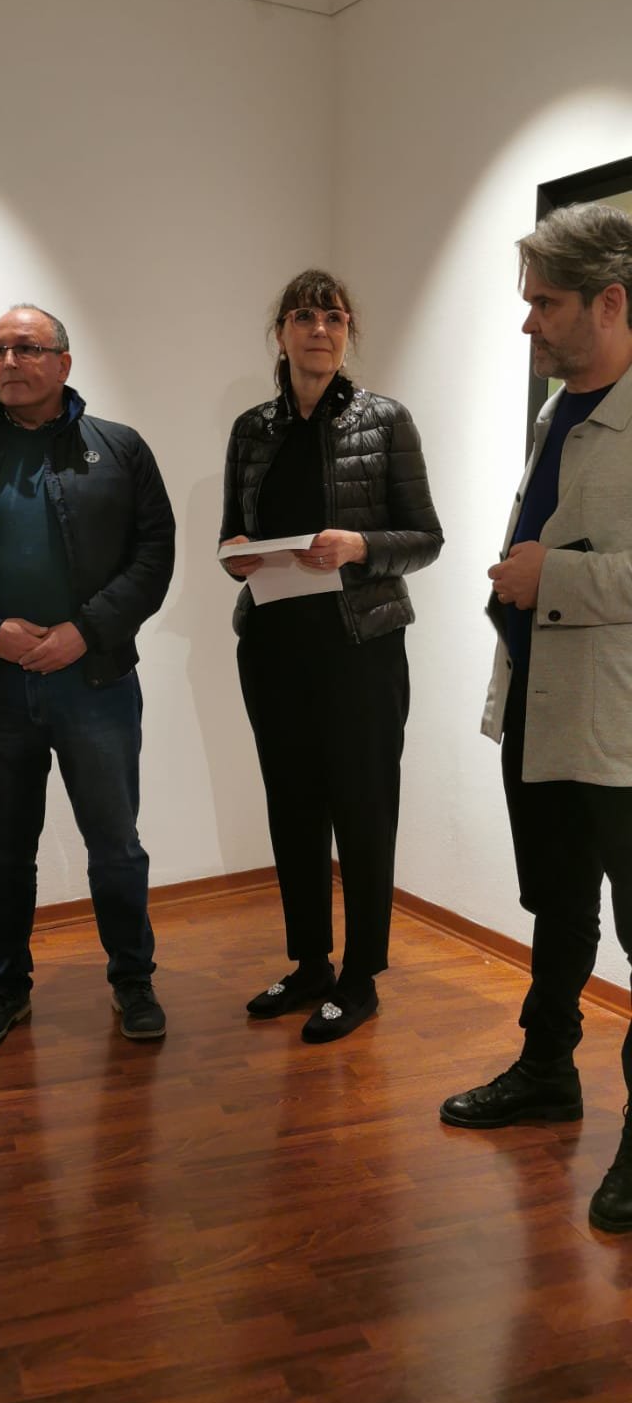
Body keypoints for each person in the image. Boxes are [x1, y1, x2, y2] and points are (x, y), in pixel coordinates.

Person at [0, 304, 175, 1050]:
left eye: (26, 348)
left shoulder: (119, 449)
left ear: (63, 361)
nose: (9, 362)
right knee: (1, 852)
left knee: (115, 846)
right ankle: (5, 988)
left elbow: (154, 552)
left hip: (97, 683)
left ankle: (133, 980)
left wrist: (84, 632)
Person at [439, 201, 632, 1234]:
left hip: (617, 729)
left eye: (545, 304)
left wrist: (548, 575)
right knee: (558, 903)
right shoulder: (558, 410)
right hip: (540, 706)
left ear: (610, 303)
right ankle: (547, 1069)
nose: (528, 324)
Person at [219, 268, 443, 1042]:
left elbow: (425, 538)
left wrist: (359, 546)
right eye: (305, 316)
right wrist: (238, 555)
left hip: (360, 649)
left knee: (365, 810)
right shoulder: (252, 430)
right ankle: (311, 964)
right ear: (281, 332)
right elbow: (232, 536)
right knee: (293, 809)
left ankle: (361, 977)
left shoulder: (386, 420)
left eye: (335, 318)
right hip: (273, 649)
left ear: (348, 334)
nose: (320, 329)